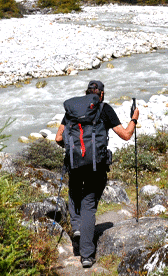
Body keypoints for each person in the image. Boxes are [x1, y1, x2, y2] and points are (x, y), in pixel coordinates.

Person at [55, 80, 139, 269]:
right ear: (101, 94)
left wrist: (72, 150)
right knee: (89, 205)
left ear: (86, 93)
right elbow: (126, 135)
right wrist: (134, 119)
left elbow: (58, 138)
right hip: (96, 166)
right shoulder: (104, 108)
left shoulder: (72, 110)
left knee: (74, 191)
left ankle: (76, 227)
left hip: (75, 164)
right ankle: (86, 255)